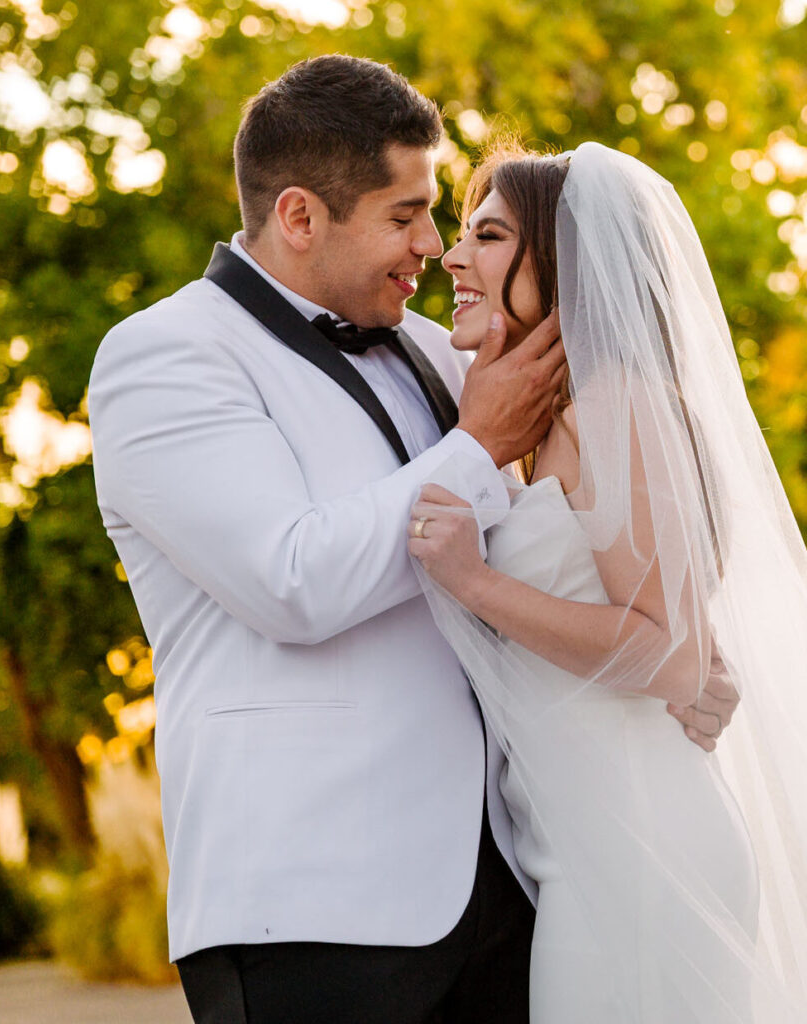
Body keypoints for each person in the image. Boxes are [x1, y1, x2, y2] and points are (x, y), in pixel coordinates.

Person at [89, 55, 733, 1023]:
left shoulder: (441, 350)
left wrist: (679, 652)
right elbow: (290, 580)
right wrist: (474, 445)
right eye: (405, 215)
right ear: (300, 216)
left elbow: (610, 505)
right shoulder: (165, 357)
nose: (432, 247)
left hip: (517, 875)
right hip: (315, 908)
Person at [408, 140, 807, 1022]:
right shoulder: (555, 422)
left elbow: (673, 652)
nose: (451, 257)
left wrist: (475, 582)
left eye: (487, 236)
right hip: (590, 850)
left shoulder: (619, 401)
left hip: (646, 851)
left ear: (568, 263)